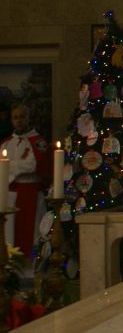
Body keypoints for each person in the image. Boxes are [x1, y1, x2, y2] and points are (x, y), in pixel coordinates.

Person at [2, 104, 51, 255]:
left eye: (22, 117)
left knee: (33, 234)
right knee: (10, 235)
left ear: (29, 118)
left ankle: (33, 265)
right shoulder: (6, 143)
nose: (19, 121)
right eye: (15, 117)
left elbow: (33, 164)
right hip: (10, 195)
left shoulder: (39, 142)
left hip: (32, 194)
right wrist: (15, 167)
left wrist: (11, 167)